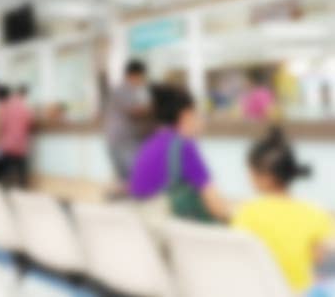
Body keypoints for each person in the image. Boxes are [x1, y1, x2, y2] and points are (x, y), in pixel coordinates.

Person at [233, 128, 335, 293]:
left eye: (250, 172)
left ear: (265, 177)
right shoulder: (315, 213)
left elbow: (240, 256)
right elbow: (319, 257)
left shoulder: (247, 212)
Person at [129, 86, 230, 222]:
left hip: (144, 229)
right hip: (168, 231)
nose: (200, 121)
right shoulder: (184, 146)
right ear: (186, 115)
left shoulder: (149, 144)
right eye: (196, 114)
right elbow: (215, 204)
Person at [105, 60, 153, 183]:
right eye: (141, 76)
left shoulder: (136, 90)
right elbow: (134, 111)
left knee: (129, 174)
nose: (142, 80)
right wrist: (153, 108)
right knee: (129, 173)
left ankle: (129, 194)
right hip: (122, 139)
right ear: (132, 75)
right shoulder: (122, 90)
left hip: (128, 139)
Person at [0, 84, 34, 188]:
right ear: (25, 95)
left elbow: (2, 123)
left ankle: (5, 184)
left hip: (7, 142)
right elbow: (30, 124)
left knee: (6, 165)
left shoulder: (7, 106)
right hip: (20, 143)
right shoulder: (26, 108)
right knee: (21, 166)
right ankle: (22, 186)